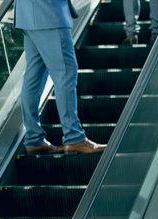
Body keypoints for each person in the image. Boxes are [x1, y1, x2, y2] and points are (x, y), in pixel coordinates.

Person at [15, 0, 106, 154]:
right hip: (49, 13)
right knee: (65, 74)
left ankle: (33, 138)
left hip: (27, 15)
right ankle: (74, 138)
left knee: (34, 78)